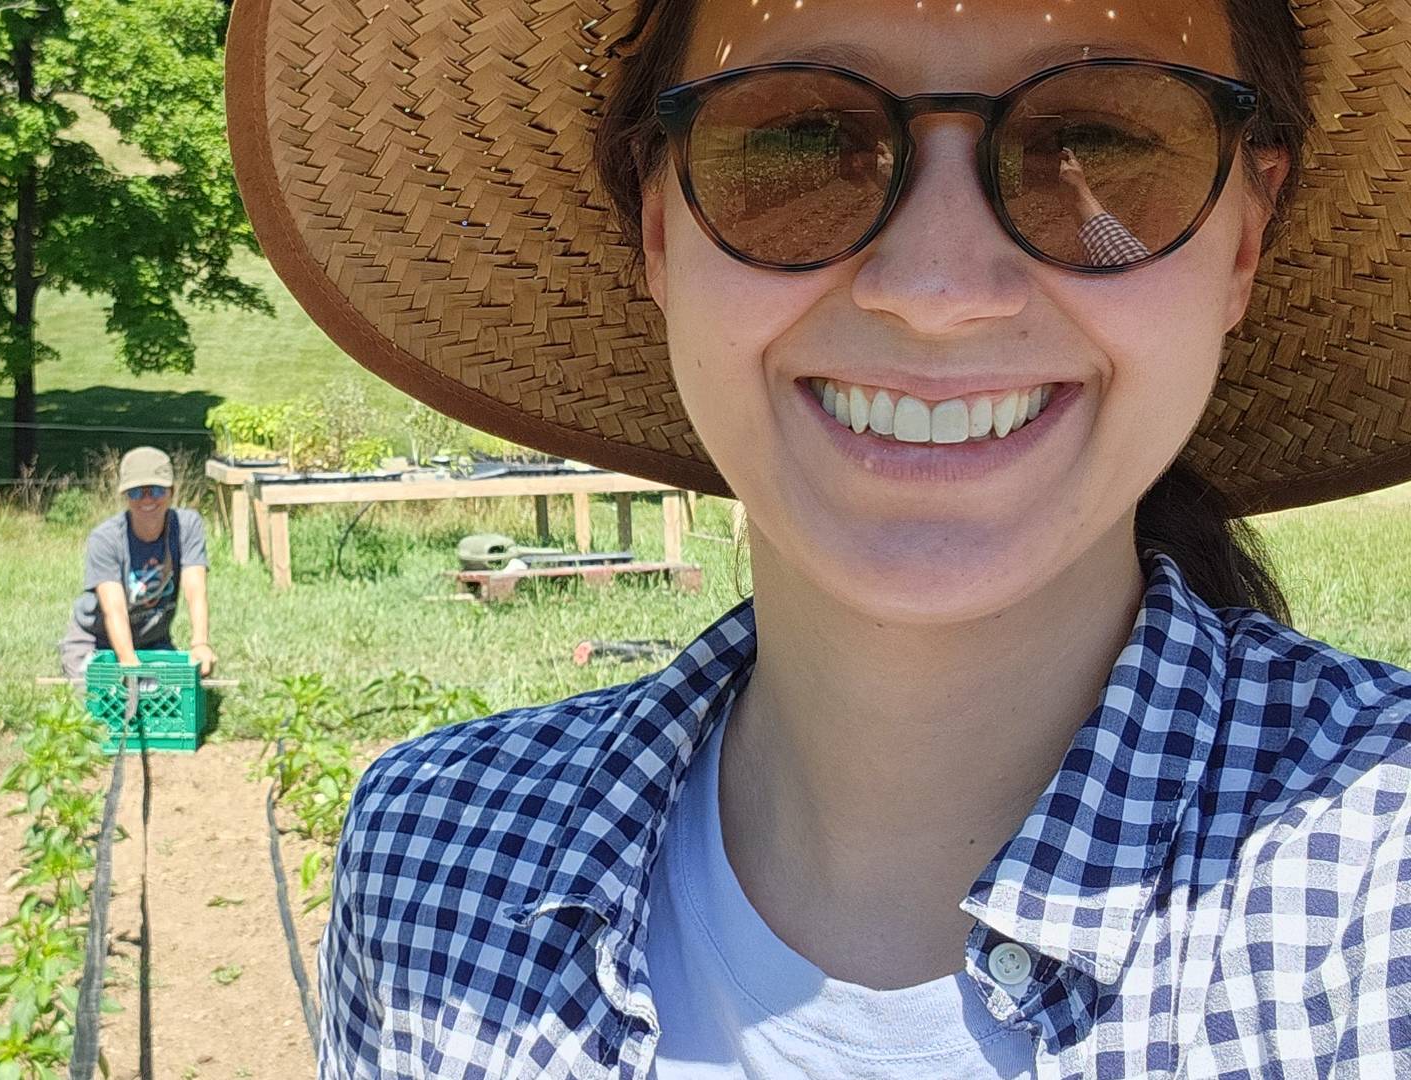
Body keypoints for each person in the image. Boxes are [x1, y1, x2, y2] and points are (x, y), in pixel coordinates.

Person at [227, 0, 1411, 1076]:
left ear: (1243, 246)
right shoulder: (435, 868)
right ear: (657, 233)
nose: (939, 287)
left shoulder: (1382, 894)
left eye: (1096, 141)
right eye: (794, 139)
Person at [59, 447, 216, 685]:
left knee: (167, 696)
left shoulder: (187, 526)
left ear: (171, 492)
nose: (147, 500)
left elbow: (196, 590)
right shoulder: (105, 539)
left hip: (151, 640)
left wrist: (200, 643)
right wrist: (128, 662)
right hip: (94, 640)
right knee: (101, 704)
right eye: (135, 493)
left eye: (156, 490)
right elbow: (114, 609)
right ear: (125, 497)